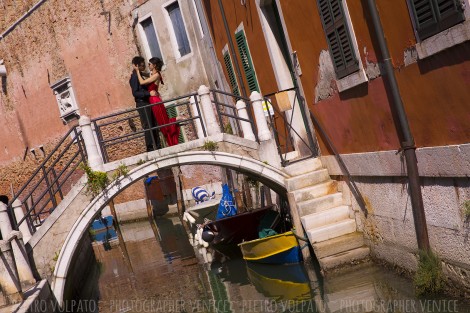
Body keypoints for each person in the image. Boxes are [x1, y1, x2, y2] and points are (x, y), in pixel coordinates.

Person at [133, 57, 181, 147]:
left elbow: (142, 82)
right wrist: (137, 70)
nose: (148, 65)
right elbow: (145, 73)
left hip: (155, 101)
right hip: (153, 100)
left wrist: (137, 72)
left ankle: (177, 119)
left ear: (154, 65)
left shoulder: (156, 75)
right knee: (160, 122)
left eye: (149, 64)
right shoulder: (152, 74)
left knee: (162, 121)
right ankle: (166, 142)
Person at [129, 56, 161, 151]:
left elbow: (150, 75)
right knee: (148, 125)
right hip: (142, 103)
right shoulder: (134, 77)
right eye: (142, 66)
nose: (144, 67)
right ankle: (150, 148)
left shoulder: (140, 74)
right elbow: (135, 93)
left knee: (153, 124)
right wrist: (148, 93)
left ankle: (158, 146)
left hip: (146, 102)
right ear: (136, 66)